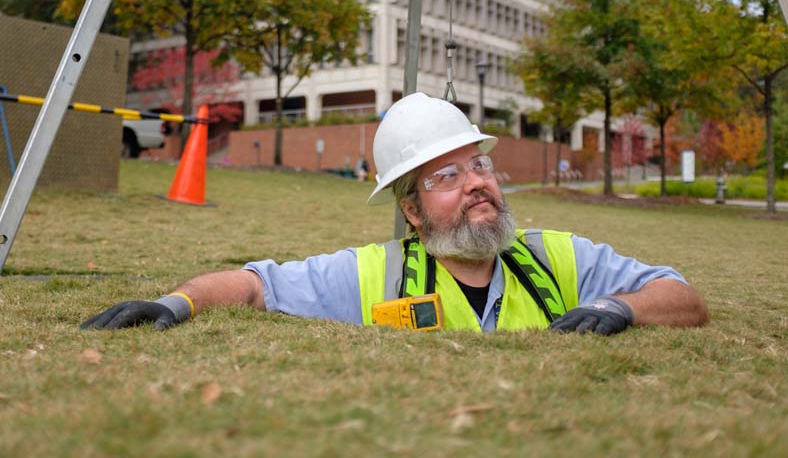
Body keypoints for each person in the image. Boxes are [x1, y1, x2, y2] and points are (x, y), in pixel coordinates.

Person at [82, 93, 708, 335]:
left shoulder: (560, 256)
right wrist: (176, 303)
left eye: (480, 166)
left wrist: (619, 307)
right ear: (411, 209)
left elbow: (681, 297)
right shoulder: (371, 276)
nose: (476, 184)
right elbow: (252, 287)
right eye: (446, 175)